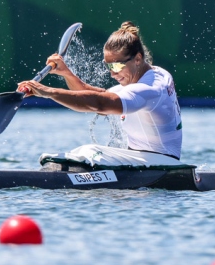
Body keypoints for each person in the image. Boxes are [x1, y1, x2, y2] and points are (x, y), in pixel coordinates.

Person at [18, 22, 183, 167]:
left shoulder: (151, 88)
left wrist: (48, 92)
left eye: (117, 66)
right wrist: (66, 73)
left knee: (90, 151)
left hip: (160, 163)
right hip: (145, 160)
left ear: (138, 59)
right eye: (108, 66)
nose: (112, 74)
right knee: (88, 152)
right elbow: (97, 95)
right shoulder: (150, 76)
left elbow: (100, 104)